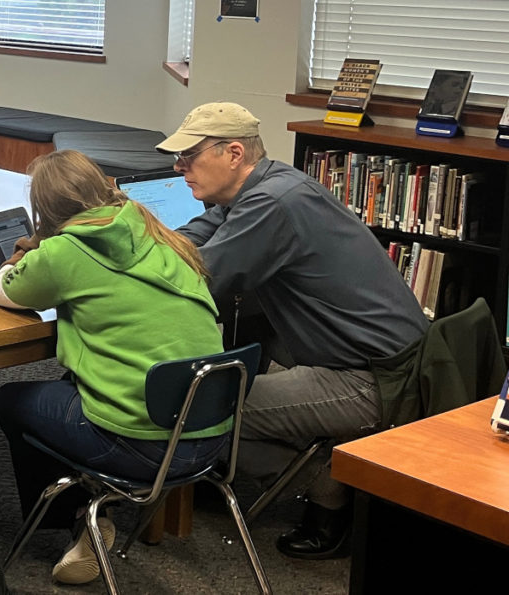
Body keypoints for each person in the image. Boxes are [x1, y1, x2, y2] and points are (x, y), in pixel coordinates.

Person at [155, 102, 430, 559]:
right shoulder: (265, 186)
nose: (179, 167)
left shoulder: (272, 203)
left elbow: (201, 281)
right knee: (228, 380)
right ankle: (234, 465)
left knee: (194, 410)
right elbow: (185, 240)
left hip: (374, 379)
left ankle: (332, 487)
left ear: (234, 154)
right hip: (367, 361)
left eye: (190, 156)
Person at [0, 150, 226, 585]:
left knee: (10, 399)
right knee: (71, 382)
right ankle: (97, 510)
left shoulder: (65, 250)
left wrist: (28, 252)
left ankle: (78, 517)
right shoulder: (160, 234)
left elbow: (5, 292)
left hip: (142, 445)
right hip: (209, 435)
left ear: (45, 211)